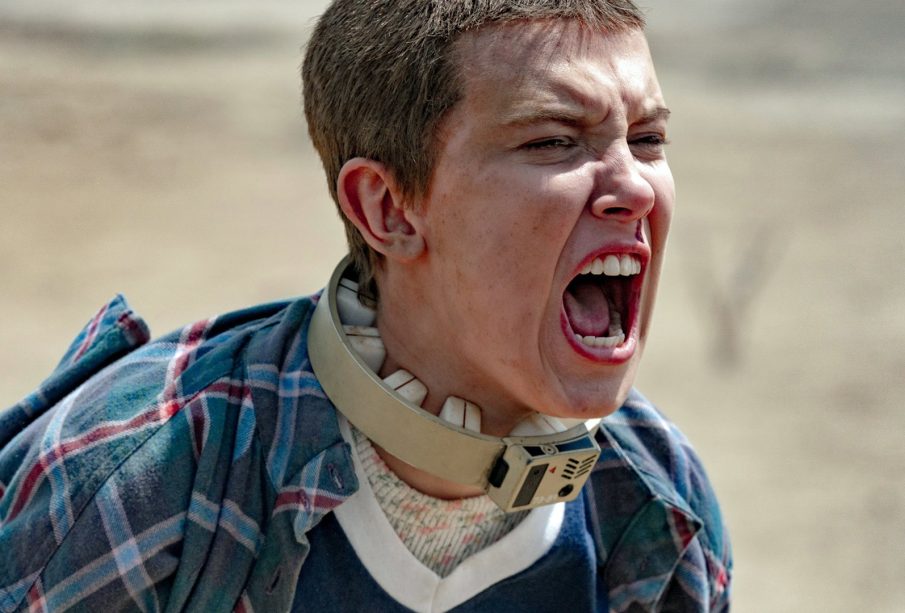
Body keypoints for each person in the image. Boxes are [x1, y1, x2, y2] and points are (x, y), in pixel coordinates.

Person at [0, 0, 731, 611]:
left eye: (647, 138)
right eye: (552, 141)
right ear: (387, 208)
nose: (635, 187)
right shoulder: (143, 480)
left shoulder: (659, 504)